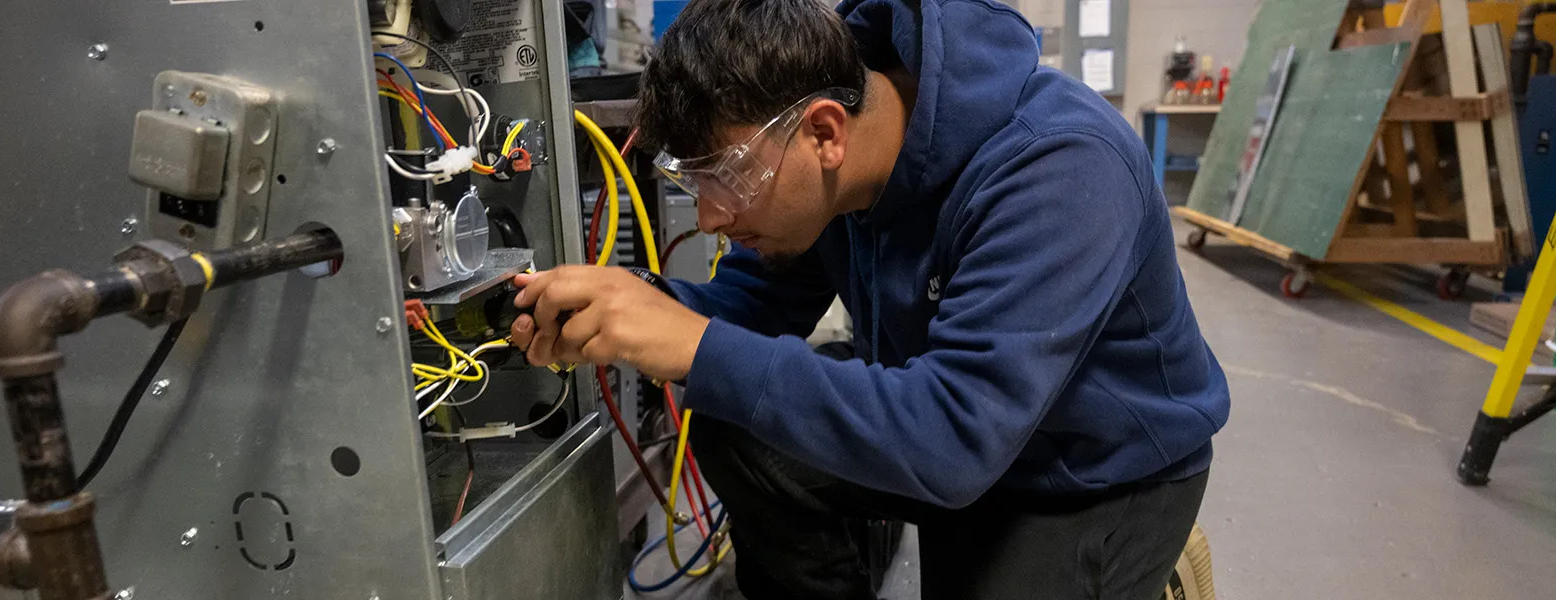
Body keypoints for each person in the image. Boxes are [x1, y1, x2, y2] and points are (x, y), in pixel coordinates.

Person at [509, 0, 1231, 597]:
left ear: (824, 131)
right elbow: (754, 310)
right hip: (956, 425)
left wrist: (691, 344)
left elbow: (954, 438)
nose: (709, 218)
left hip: (1087, 472)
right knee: (736, 420)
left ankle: (1149, 573)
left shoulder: (1061, 166)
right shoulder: (840, 166)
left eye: (724, 178)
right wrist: (630, 305)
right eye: (692, 187)